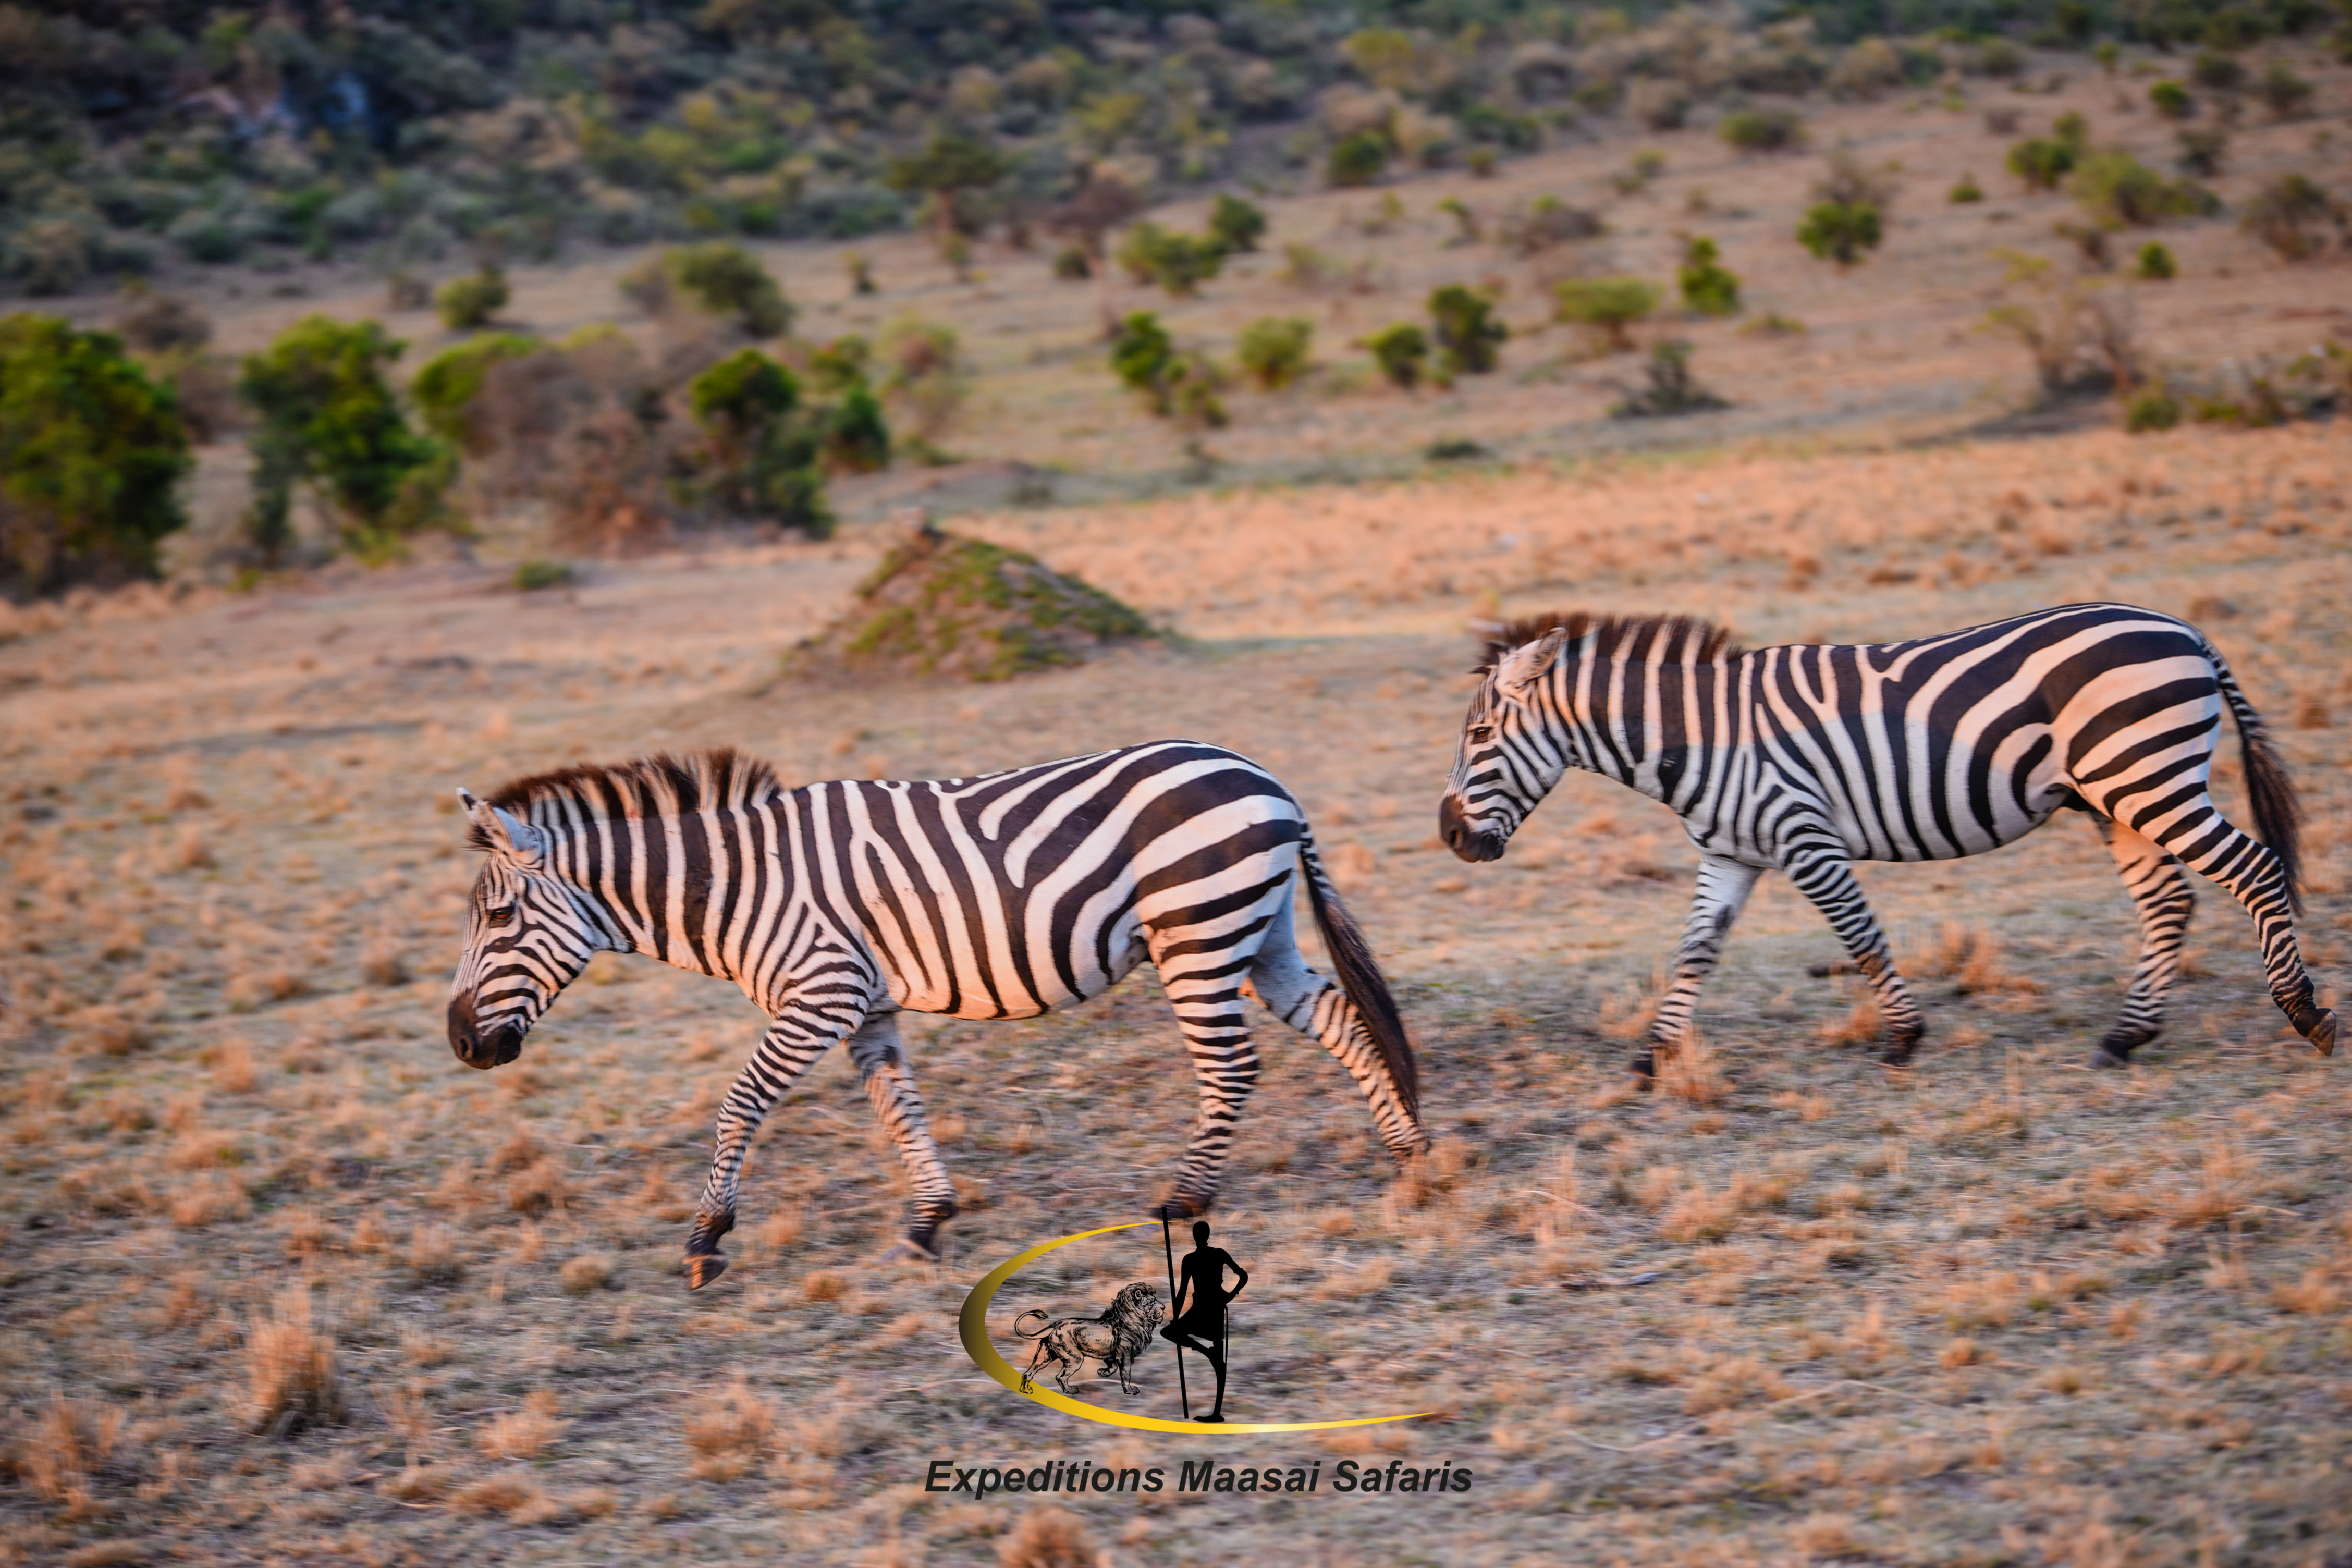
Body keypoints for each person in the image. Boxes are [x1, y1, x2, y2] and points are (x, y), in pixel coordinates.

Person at [1160, 1220, 1247, 1422]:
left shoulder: (1192, 1259)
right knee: (1170, 1332)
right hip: (1208, 1307)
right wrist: (1230, 1295)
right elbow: (1243, 1276)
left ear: (1196, 1236)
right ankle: (1209, 1353)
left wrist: (1231, 1296)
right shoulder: (1215, 1255)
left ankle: (1216, 1413)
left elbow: (1182, 1293)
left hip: (1205, 1309)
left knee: (1172, 1333)